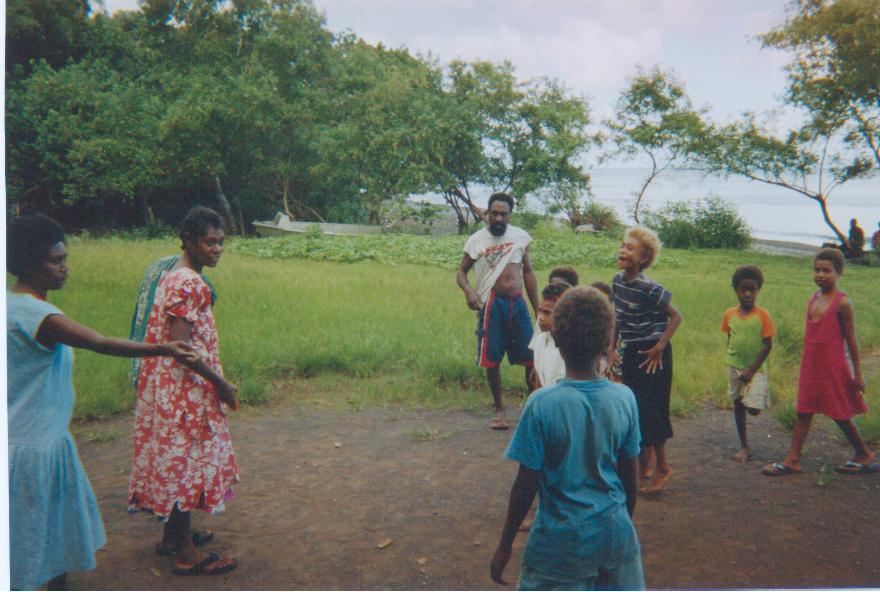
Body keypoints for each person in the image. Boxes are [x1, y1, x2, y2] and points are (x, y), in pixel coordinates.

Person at [6, 213, 196, 591]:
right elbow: (98, 341)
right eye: (55, 261)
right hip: (35, 448)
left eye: (64, 258)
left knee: (44, 535)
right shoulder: (40, 316)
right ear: (27, 264)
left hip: (27, 437)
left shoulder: (9, 306)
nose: (64, 268)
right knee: (36, 540)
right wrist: (163, 347)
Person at [490, 287, 644, 590]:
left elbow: (526, 483)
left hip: (560, 544)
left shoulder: (542, 404)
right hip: (615, 534)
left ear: (555, 340)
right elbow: (630, 477)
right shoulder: (624, 398)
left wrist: (505, 544)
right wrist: (621, 524)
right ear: (607, 343)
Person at [128, 206, 242, 575]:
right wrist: (220, 383)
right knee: (186, 464)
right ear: (189, 241)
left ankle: (171, 537)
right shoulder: (189, 282)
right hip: (186, 390)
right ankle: (187, 554)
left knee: (174, 458)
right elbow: (181, 347)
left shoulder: (173, 273)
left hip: (169, 385)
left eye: (221, 242)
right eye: (210, 242)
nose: (218, 249)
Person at [762, 248, 877, 476]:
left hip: (832, 366)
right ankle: (793, 459)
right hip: (811, 365)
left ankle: (863, 453)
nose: (821, 275)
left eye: (827, 270)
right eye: (817, 270)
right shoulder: (813, 298)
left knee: (839, 412)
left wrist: (858, 373)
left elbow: (852, 341)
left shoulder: (843, 303)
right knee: (804, 410)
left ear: (839, 272)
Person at [457, 192, 539, 430]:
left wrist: (540, 311)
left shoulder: (520, 237)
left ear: (509, 215)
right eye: (494, 213)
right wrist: (469, 291)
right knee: (492, 358)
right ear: (487, 213)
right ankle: (499, 409)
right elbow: (461, 273)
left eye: (503, 214)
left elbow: (529, 273)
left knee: (530, 356)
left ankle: (531, 407)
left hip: (517, 302)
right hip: (491, 303)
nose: (498, 218)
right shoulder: (476, 240)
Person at [612, 227, 683, 494]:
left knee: (652, 410)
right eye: (622, 245)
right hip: (631, 351)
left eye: (630, 248)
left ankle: (663, 467)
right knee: (634, 408)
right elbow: (618, 317)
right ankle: (645, 464)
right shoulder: (617, 281)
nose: (622, 250)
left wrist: (659, 347)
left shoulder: (650, 287)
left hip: (654, 355)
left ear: (643, 258)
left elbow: (676, 317)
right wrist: (611, 348)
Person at [720, 266, 775, 462]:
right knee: (738, 405)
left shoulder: (763, 315)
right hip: (734, 366)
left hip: (756, 369)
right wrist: (734, 363)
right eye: (744, 289)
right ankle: (744, 446)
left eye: (753, 289)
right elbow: (730, 338)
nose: (748, 294)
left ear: (758, 290)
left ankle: (758, 398)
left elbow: (768, 346)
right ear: (736, 290)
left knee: (754, 408)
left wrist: (751, 370)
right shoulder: (729, 314)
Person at [528, 281, 572, 391]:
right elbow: (539, 385)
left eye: (547, 313)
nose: (541, 318)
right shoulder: (541, 341)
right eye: (540, 311)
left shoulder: (574, 348)